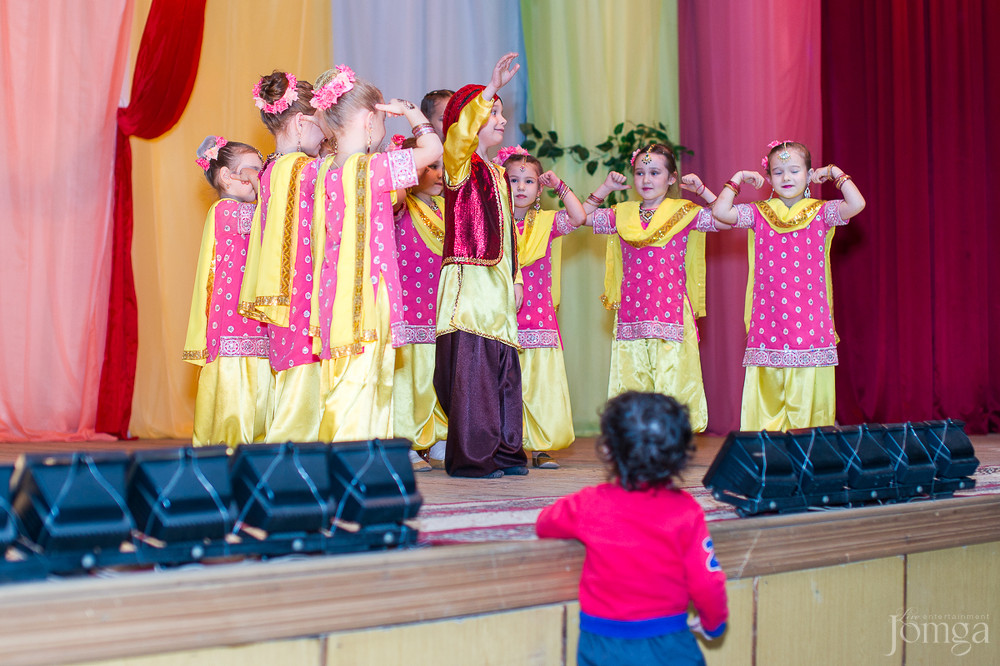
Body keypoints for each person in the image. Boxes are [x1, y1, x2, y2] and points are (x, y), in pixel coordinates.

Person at [536, 391, 728, 666]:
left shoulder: (588, 504)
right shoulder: (686, 511)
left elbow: (545, 523)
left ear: (607, 449)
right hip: (669, 644)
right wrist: (713, 624)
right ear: (682, 453)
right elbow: (708, 582)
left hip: (603, 646)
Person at [307, 65, 443, 442]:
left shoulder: (322, 170)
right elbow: (433, 150)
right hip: (370, 288)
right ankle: (357, 457)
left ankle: (341, 452)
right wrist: (412, 113)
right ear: (371, 119)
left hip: (335, 292)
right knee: (370, 374)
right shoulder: (375, 169)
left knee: (342, 374)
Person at [711, 140, 866, 431]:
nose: (786, 178)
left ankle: (810, 456)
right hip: (769, 320)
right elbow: (721, 213)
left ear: (809, 175)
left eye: (794, 170)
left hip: (810, 323)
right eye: (778, 172)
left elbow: (857, 204)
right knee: (768, 393)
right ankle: (767, 456)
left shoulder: (821, 213)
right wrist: (739, 178)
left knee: (807, 397)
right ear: (768, 178)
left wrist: (835, 172)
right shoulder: (759, 213)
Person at [582, 144, 723, 433]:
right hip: (632, 313)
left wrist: (704, 191)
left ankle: (668, 442)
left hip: (670, 312)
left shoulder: (684, 211)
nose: (646, 180)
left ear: (672, 178)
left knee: (673, 383)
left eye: (655, 173)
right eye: (640, 172)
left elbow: (724, 218)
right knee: (633, 384)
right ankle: (637, 443)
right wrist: (605, 188)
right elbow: (580, 217)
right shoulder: (622, 214)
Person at [434, 53, 528, 478]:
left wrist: (517, 275)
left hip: (499, 283)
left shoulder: (494, 170)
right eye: (493, 112)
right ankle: (472, 457)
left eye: (502, 112)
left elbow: (509, 231)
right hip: (470, 280)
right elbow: (456, 138)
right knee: (474, 367)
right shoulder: (460, 164)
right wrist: (489, 89)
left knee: (503, 367)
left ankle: (507, 452)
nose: (501, 118)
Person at [239, 71, 327, 442]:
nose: (326, 134)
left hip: (282, 289)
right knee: (304, 367)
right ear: (302, 122)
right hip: (302, 286)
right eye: (323, 125)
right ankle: (292, 445)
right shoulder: (305, 169)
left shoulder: (273, 168)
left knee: (291, 366)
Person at [499, 146, 586, 469]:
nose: (520, 187)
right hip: (501, 317)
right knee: (504, 383)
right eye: (512, 180)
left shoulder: (546, 222)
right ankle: (506, 445)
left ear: (539, 189)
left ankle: (542, 447)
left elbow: (579, 217)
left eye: (529, 181)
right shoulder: (493, 224)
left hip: (538, 317)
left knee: (540, 384)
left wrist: (560, 186)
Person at [183, 136, 271, 446]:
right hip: (233, 317)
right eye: (251, 171)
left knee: (259, 383)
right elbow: (267, 219)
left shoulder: (246, 210)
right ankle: (229, 444)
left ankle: (256, 445)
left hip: (252, 316)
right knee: (234, 382)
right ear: (226, 177)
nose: (259, 178)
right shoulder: (226, 210)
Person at [392, 136, 448, 471]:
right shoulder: (401, 203)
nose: (440, 174)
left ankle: (438, 434)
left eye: (442, 166)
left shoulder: (447, 210)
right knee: (408, 373)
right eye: (431, 166)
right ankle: (406, 441)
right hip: (407, 303)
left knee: (435, 370)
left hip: (437, 303)